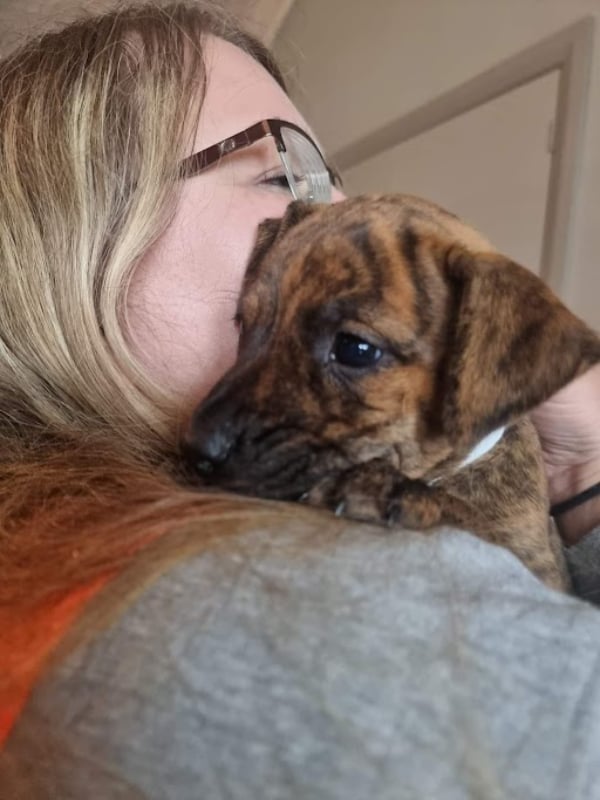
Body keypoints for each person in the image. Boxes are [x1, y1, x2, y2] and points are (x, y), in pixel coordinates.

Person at [0, 2, 599, 797]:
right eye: (283, 171)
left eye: (327, 174)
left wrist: (581, 471)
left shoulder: (49, 550)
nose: (333, 210)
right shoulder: (255, 611)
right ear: (77, 236)